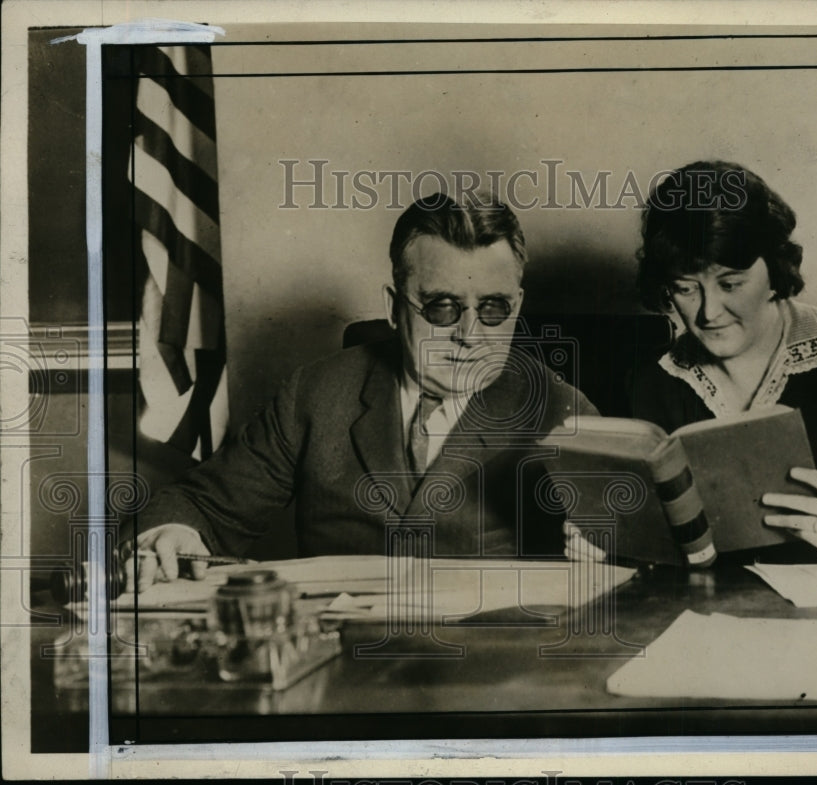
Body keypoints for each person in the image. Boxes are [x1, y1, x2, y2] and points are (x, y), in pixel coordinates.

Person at [130, 192, 598, 592]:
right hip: (339, 660)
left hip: (488, 671)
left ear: (518, 305)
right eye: (442, 308)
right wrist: (172, 533)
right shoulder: (316, 394)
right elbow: (201, 505)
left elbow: (632, 540)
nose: (470, 334)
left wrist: (604, 545)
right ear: (394, 308)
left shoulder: (561, 411)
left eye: (494, 307)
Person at [569, 161, 817, 565]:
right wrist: (607, 543)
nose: (709, 312)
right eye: (685, 288)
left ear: (775, 269)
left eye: (731, 284)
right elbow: (644, 538)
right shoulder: (648, 382)